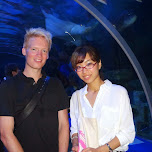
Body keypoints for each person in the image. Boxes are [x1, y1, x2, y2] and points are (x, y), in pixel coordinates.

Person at [0, 27, 69, 152]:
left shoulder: (56, 85)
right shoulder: (7, 87)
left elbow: (63, 125)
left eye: (44, 50)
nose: (39, 55)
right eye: (34, 49)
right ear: (24, 51)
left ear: (48, 55)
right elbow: (5, 133)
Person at [70, 45, 135, 152]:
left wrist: (100, 150)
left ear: (99, 64)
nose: (84, 71)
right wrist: (76, 144)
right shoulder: (76, 97)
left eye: (89, 64)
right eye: (79, 67)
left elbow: (128, 133)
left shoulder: (118, 92)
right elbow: (75, 129)